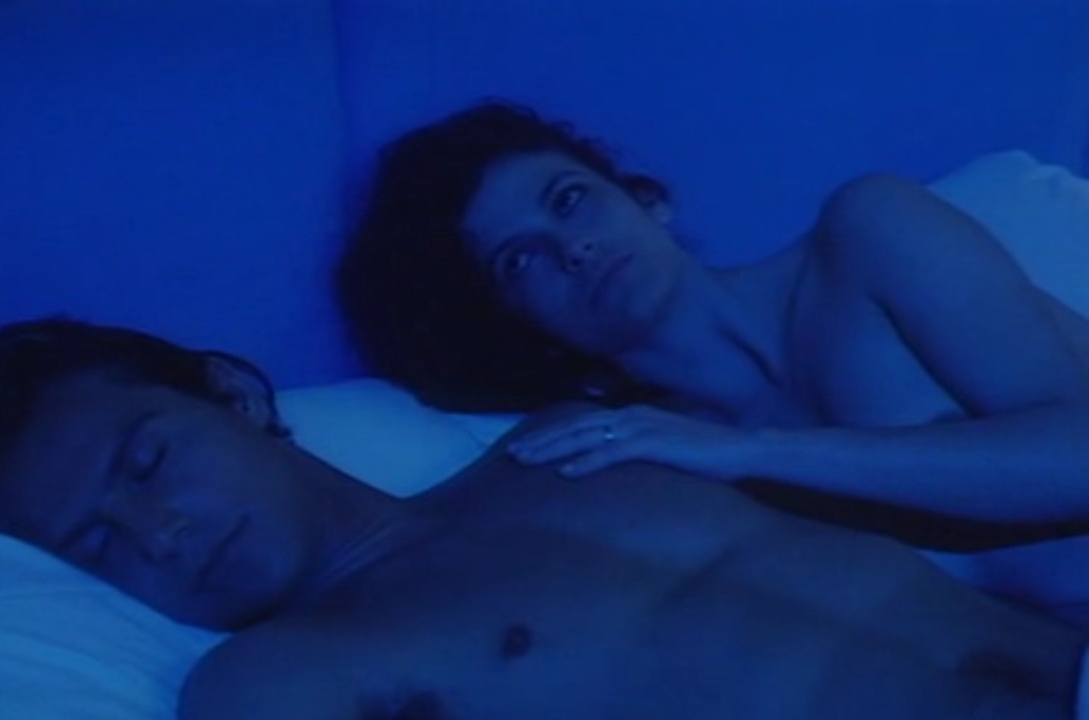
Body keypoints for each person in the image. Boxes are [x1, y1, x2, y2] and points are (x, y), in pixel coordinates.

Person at [0, 317, 1086, 718]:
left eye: (146, 461)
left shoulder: (575, 438)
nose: (157, 534)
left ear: (232, 396)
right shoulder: (275, 675)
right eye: (95, 541)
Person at [336, 100, 1089, 544]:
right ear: (521, 324)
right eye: (519, 260)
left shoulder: (867, 235)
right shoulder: (658, 470)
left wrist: (758, 453)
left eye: (569, 200)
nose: (573, 248)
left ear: (648, 199)